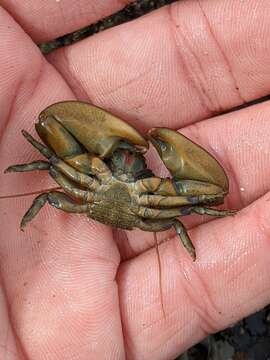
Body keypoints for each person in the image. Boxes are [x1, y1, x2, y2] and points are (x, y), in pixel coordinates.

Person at [0, 1, 269, 359]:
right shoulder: (152, 199)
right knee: (183, 211)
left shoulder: (88, 172)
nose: (131, 156)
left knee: (52, 178)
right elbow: (194, 206)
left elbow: (52, 153)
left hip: (89, 194)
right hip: (141, 211)